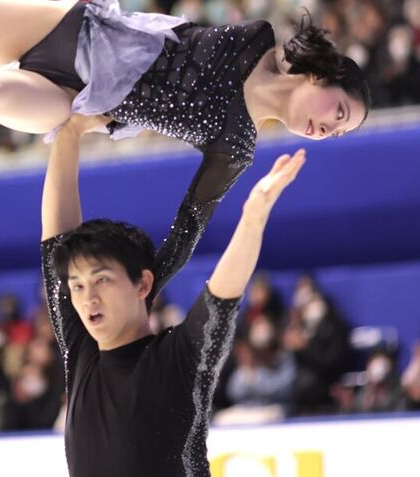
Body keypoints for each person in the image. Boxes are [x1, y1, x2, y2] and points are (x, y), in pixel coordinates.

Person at [0, 0, 368, 290]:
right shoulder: (255, 39)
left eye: (337, 133)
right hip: (76, 32)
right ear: (321, 76)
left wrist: (148, 285)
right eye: (337, 110)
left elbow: (189, 227)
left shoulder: (235, 146)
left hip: (79, 103)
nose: (327, 130)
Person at [39, 114, 305, 476]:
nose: (88, 299)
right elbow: (56, 239)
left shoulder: (180, 357)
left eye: (102, 281)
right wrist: (68, 133)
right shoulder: (81, 348)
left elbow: (221, 296)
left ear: (142, 285)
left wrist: (253, 216)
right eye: (78, 286)